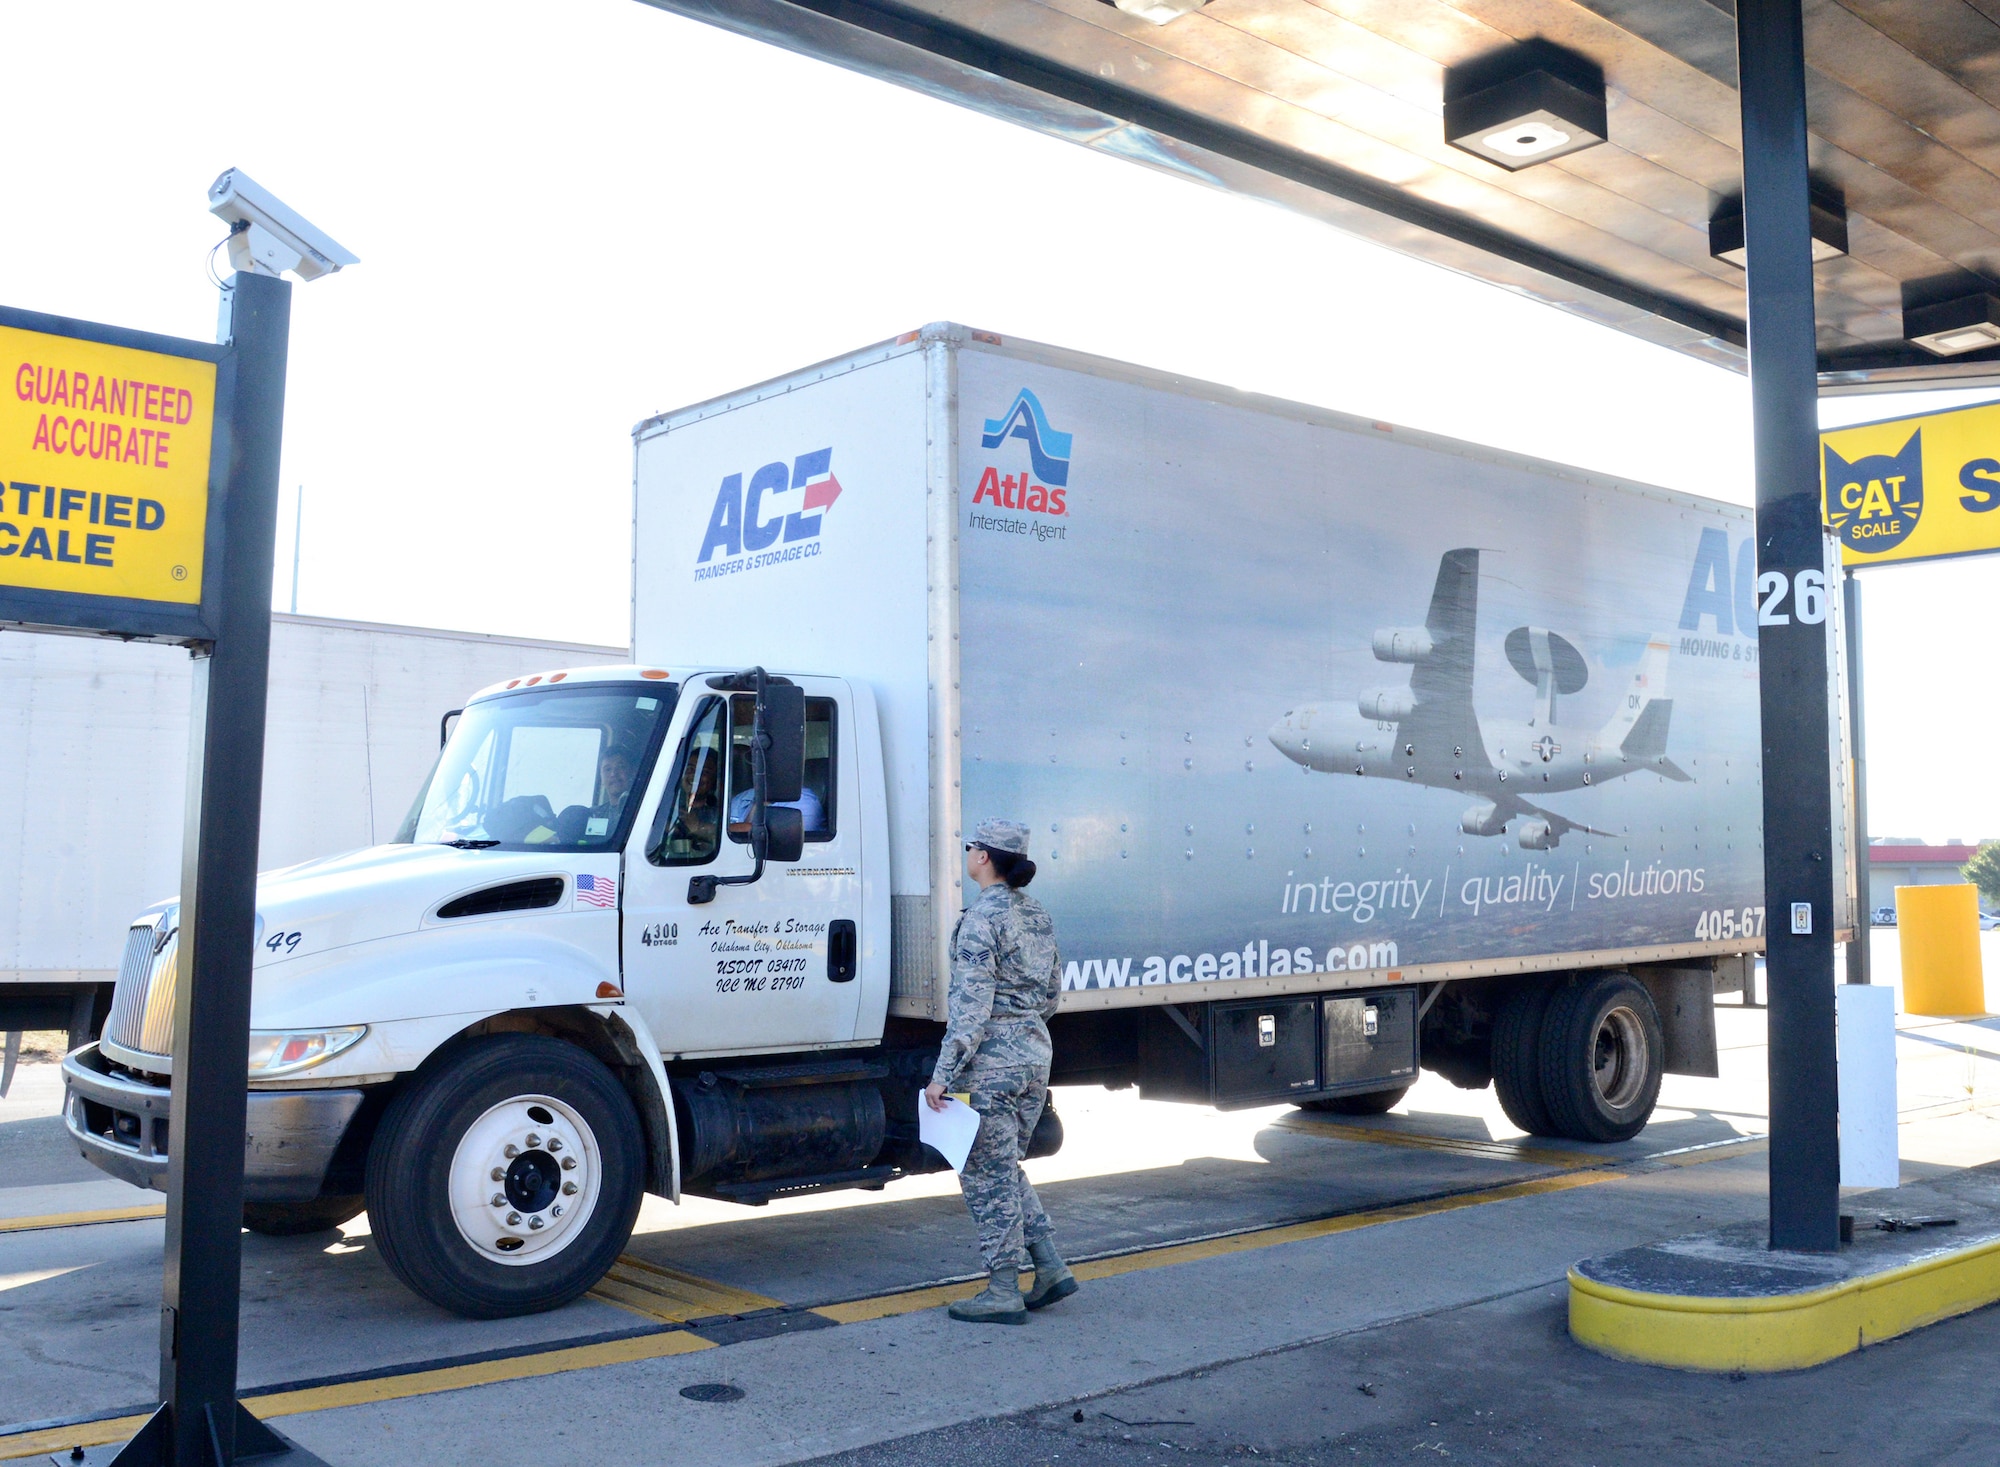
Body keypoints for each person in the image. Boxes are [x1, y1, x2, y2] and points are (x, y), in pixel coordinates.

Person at [924, 818, 1078, 1324]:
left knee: (987, 1177)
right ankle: (1051, 1266)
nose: (967, 853)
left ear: (983, 857)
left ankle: (1002, 1289)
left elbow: (969, 1009)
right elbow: (1053, 993)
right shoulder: (1036, 914)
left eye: (970, 847)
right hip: (1034, 1053)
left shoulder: (980, 919)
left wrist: (943, 1074)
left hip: (990, 1064)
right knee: (1005, 1167)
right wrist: (1024, 1030)